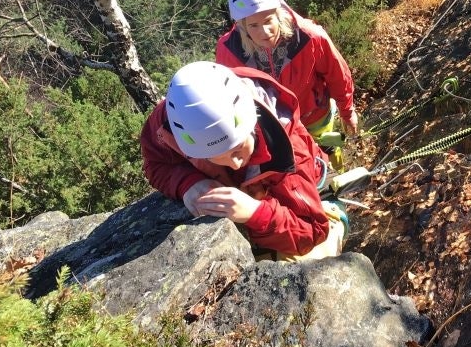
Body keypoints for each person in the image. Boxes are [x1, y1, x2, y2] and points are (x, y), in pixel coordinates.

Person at [140, 61, 346, 261]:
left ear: (252, 120)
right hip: (259, 203)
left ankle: (337, 216)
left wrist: (255, 212)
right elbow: (154, 163)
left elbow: (314, 232)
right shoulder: (173, 122)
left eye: (238, 148)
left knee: (314, 257)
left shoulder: (288, 149)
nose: (235, 164)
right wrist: (187, 183)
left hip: (303, 196)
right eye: (215, 157)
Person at [215, 0, 359, 164]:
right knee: (299, 168)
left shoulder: (308, 36)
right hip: (274, 129)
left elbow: (337, 73)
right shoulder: (229, 51)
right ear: (242, 26)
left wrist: (347, 111)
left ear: (278, 13)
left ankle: (339, 172)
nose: (265, 32)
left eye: (268, 21)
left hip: (315, 116)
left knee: (329, 153)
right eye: (254, 25)